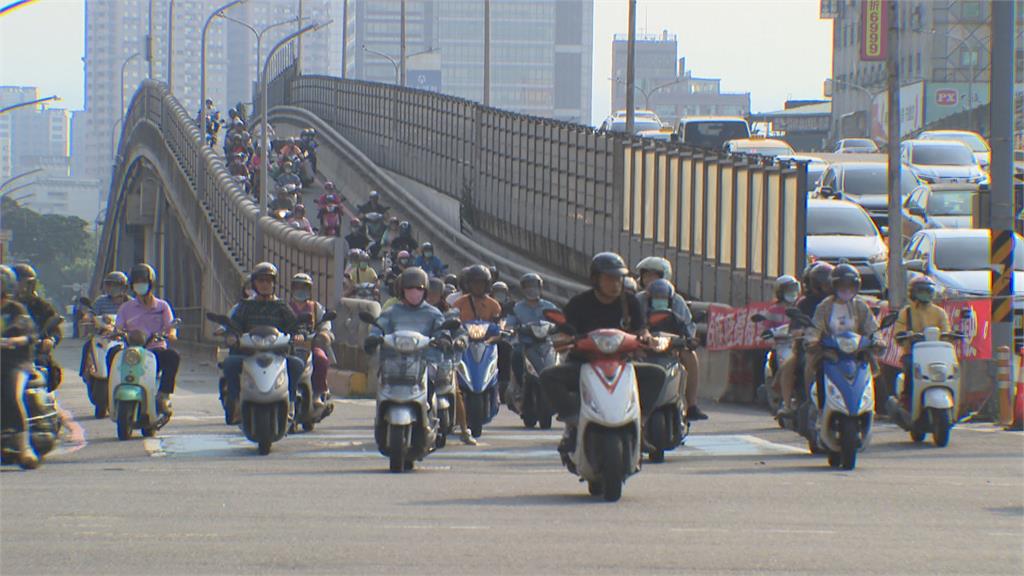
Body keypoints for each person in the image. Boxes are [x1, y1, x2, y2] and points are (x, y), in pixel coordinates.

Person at [542, 253, 653, 459]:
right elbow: (565, 331)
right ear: (595, 279)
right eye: (609, 278)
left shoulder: (630, 303)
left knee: (657, 375)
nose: (615, 283)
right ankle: (573, 422)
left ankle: (641, 421)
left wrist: (646, 339)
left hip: (621, 364)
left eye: (619, 278)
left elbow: (641, 330)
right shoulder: (579, 303)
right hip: (583, 363)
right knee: (549, 376)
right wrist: (563, 339)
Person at [365, 268, 476, 445]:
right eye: (410, 288)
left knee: (440, 385)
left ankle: (432, 415)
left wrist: (444, 340)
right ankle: (381, 418)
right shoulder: (391, 312)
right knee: (382, 382)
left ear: (425, 291)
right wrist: (373, 337)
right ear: (402, 290)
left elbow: (443, 331)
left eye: (418, 288)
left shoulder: (433, 313)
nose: (414, 292)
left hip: (425, 362)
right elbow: (379, 327)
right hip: (394, 362)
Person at [222, 263, 304, 416]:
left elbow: (294, 326)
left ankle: (291, 401)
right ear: (254, 284)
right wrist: (232, 336)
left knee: (297, 364)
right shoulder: (245, 306)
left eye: (269, 281)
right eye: (261, 281)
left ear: (274, 284)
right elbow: (234, 326)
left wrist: (298, 335)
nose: (265, 285)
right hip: (249, 354)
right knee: (230, 364)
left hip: (278, 355)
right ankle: (236, 402)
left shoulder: (281, 306)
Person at [634, 257, 706, 421]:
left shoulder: (677, 301)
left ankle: (692, 405)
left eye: (655, 276)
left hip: (672, 345)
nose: (650, 280)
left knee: (690, 357)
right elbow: (630, 324)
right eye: (647, 276)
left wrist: (688, 340)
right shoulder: (638, 300)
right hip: (644, 345)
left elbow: (687, 326)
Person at [805, 264, 882, 410]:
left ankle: (873, 407)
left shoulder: (861, 306)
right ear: (834, 286)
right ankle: (818, 408)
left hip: (856, 353)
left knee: (873, 370)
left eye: (850, 286)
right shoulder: (824, 306)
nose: (846, 289)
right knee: (816, 369)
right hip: (831, 353)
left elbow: (872, 327)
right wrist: (812, 340)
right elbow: (816, 327)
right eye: (842, 285)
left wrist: (878, 339)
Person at [109, 264, 180, 414]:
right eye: (137, 282)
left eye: (143, 281)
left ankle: (163, 395)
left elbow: (170, 326)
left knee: (172, 356)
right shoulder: (126, 308)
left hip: (155, 350)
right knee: (112, 354)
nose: (140, 285)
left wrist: (171, 333)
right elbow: (119, 327)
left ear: (151, 283)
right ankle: (114, 390)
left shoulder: (162, 306)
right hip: (131, 352)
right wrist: (116, 333)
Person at [773, 262, 833, 416]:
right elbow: (795, 328)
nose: (827, 287)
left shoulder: (839, 302)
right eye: (823, 283)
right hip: (811, 348)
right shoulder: (804, 304)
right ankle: (792, 403)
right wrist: (803, 332)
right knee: (790, 366)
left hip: (836, 346)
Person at [1, 265, 40, 469]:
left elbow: (31, 335)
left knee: (12, 395)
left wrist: (14, 340)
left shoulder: (16, 309)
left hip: (16, 362)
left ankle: (25, 447)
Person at [893, 276, 950, 409]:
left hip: (936, 353)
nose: (925, 295)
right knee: (908, 365)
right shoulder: (906, 312)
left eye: (927, 291)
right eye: (921, 292)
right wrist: (904, 336)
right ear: (913, 294)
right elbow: (899, 331)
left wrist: (949, 335)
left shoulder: (939, 312)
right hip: (913, 353)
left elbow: (946, 329)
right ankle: (906, 398)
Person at [505, 273, 560, 407]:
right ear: (523, 289)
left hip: (546, 344)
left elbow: (560, 320)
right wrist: (513, 329)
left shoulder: (549, 306)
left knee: (564, 357)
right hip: (526, 344)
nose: (531, 290)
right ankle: (519, 385)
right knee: (516, 354)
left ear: (540, 288)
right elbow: (509, 324)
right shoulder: (517, 308)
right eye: (528, 287)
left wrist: (560, 326)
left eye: (534, 286)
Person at [13, 264, 62, 392]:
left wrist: (50, 340)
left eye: (27, 283)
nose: (23, 287)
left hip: (33, 353)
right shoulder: (4, 305)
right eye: (19, 283)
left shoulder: (41, 306)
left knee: (46, 369)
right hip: (6, 354)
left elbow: (56, 330)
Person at [288, 273, 334, 408]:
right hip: (290, 345)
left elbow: (325, 323)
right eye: (297, 287)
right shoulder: (286, 307)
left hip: (311, 343)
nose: (300, 290)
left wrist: (324, 333)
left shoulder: (315, 307)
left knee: (320, 359)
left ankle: (318, 393)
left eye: (304, 287)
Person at [79, 271, 131, 383]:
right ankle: (86, 372)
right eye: (109, 285)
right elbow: (91, 314)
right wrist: (87, 317)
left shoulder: (131, 303)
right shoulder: (101, 301)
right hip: (104, 336)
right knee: (88, 345)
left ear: (124, 287)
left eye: (116, 285)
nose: (112, 288)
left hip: (125, 337)